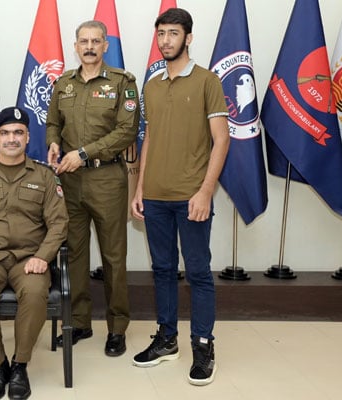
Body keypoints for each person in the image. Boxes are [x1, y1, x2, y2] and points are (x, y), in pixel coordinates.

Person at [130, 8, 229, 386]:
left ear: (188, 38)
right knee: (163, 270)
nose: (165, 40)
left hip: (192, 198)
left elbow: (222, 140)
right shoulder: (152, 84)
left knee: (199, 273)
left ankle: (203, 347)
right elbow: (150, 136)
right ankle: (166, 339)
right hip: (154, 196)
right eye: (161, 34)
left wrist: (205, 192)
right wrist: (139, 188)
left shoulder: (207, 81)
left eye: (173, 33)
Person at [0, 107, 68, 400]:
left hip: (28, 260)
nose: (12, 139)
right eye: (5, 133)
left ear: (28, 136)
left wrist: (43, 257)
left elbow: (59, 223)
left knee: (33, 293)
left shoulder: (44, 176)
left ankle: (20, 365)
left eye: (18, 132)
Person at [46, 20, 139, 357]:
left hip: (107, 180)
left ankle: (117, 328)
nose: (89, 47)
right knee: (73, 255)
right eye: (83, 41)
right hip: (69, 182)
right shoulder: (64, 84)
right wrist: (53, 142)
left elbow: (127, 131)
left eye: (95, 41)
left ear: (105, 46)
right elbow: (53, 121)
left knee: (114, 257)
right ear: (75, 46)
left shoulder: (123, 83)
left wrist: (83, 154)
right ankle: (80, 323)